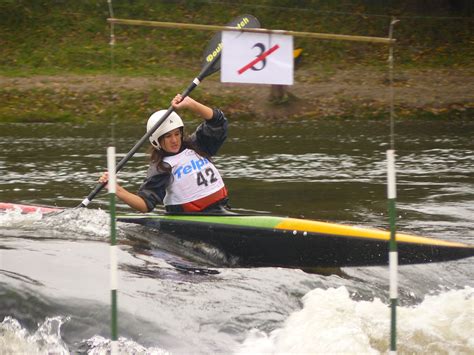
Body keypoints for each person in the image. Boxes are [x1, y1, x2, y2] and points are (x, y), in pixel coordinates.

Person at [99, 94, 229, 213]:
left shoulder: (197, 145)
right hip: (193, 217)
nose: (174, 140)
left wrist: (191, 104)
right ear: (156, 141)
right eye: (168, 136)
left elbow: (217, 121)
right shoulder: (161, 167)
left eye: (177, 134)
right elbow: (145, 204)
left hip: (221, 209)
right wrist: (116, 189)